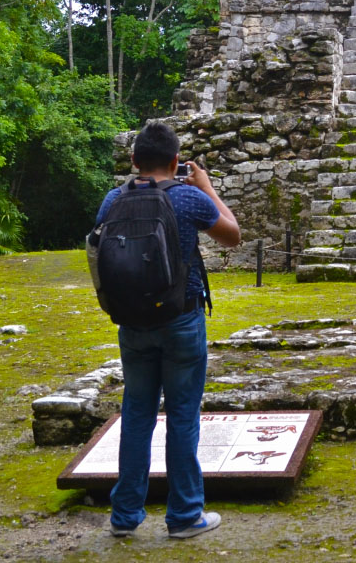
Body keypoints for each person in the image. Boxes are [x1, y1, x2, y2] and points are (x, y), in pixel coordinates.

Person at [97, 121, 241, 539]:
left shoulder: (112, 199)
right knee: (182, 416)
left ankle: (124, 516)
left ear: (134, 160)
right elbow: (232, 236)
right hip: (181, 318)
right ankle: (184, 516)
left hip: (132, 322)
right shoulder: (188, 197)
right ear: (176, 161)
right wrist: (208, 186)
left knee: (137, 414)